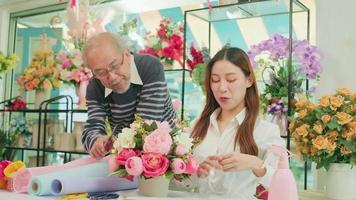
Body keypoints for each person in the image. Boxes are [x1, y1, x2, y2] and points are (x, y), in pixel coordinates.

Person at [191, 47, 285, 198]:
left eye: (231, 80)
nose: (222, 87)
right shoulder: (198, 126)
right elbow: (182, 182)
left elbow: (283, 184)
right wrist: (197, 172)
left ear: (249, 80)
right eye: (215, 80)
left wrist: (255, 164)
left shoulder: (265, 131)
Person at [81, 32, 176, 159]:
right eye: (100, 72)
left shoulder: (149, 67)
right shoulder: (95, 86)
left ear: (126, 54)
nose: (112, 77)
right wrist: (96, 142)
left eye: (114, 66)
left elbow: (146, 125)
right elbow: (93, 125)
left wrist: (114, 143)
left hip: (167, 152)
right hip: (126, 154)